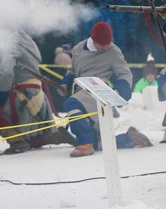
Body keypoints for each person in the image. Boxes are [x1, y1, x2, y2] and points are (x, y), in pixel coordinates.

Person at [61, 22, 152, 157]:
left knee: (71, 104)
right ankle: (128, 138)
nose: (105, 47)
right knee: (98, 142)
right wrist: (66, 83)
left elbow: (124, 73)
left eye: (107, 44)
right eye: (102, 45)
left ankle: (85, 144)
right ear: (94, 40)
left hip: (98, 92)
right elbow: (73, 71)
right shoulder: (78, 49)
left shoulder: (113, 51)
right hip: (80, 90)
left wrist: (123, 90)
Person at [0, 29, 76, 155]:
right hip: (36, 94)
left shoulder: (12, 43)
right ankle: (57, 137)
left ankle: (16, 142)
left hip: (20, 95)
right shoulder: (29, 43)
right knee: (36, 134)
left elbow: (6, 73)